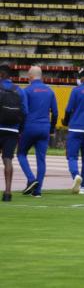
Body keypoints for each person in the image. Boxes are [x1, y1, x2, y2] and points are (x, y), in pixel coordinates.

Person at [17, 66, 58, 198]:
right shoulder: (50, 91)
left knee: (21, 154)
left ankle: (31, 179)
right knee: (41, 159)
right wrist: (52, 128)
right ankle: (38, 190)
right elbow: (55, 113)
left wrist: (20, 128)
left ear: (30, 76)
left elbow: (23, 111)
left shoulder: (26, 91)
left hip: (29, 127)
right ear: (41, 76)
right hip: (44, 128)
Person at [0, 65, 28, 202]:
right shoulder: (19, 90)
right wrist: (20, 129)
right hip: (12, 130)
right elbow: (25, 111)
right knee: (8, 160)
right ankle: (7, 192)